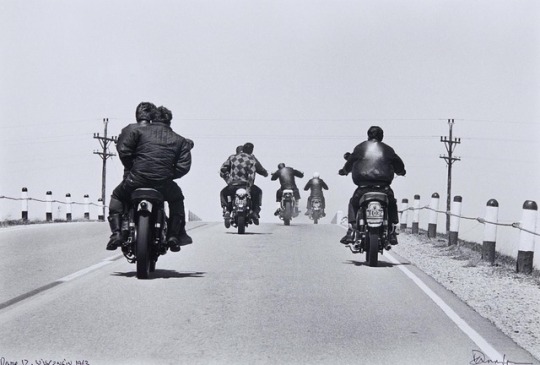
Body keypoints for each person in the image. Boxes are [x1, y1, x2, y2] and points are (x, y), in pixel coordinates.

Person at [106, 105, 193, 252]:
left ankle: (117, 233)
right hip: (163, 184)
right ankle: (173, 236)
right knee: (176, 199)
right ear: (170, 121)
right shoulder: (180, 140)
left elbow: (124, 152)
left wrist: (134, 169)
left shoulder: (137, 131)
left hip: (136, 180)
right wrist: (167, 175)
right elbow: (183, 166)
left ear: (152, 119)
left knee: (117, 195)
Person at [338, 126, 406, 245]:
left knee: (353, 203)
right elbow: (399, 165)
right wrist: (401, 172)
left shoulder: (360, 148)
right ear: (382, 136)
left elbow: (349, 163)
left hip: (363, 189)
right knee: (392, 204)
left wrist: (344, 171)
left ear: (368, 135)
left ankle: (351, 230)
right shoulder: (388, 150)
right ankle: (392, 232)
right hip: (383, 189)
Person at [219, 142, 268, 225]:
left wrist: (228, 179)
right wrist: (265, 174)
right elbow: (258, 171)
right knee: (258, 192)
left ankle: (226, 209)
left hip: (233, 185)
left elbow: (223, 169)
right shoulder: (252, 159)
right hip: (247, 185)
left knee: (223, 193)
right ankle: (255, 211)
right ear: (251, 150)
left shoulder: (232, 157)